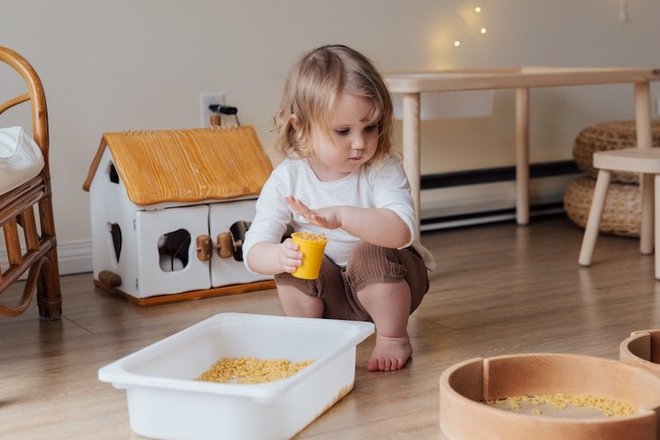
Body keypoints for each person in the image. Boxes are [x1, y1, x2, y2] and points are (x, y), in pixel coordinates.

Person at [242, 44, 435, 372]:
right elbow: (253, 249)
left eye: (370, 127)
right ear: (301, 127)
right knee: (295, 259)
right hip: (331, 297)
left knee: (369, 252)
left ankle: (392, 338)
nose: (360, 143)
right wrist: (278, 256)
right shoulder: (288, 177)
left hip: (391, 285)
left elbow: (401, 231)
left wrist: (342, 216)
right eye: (343, 131)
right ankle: (313, 336)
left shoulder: (381, 168)